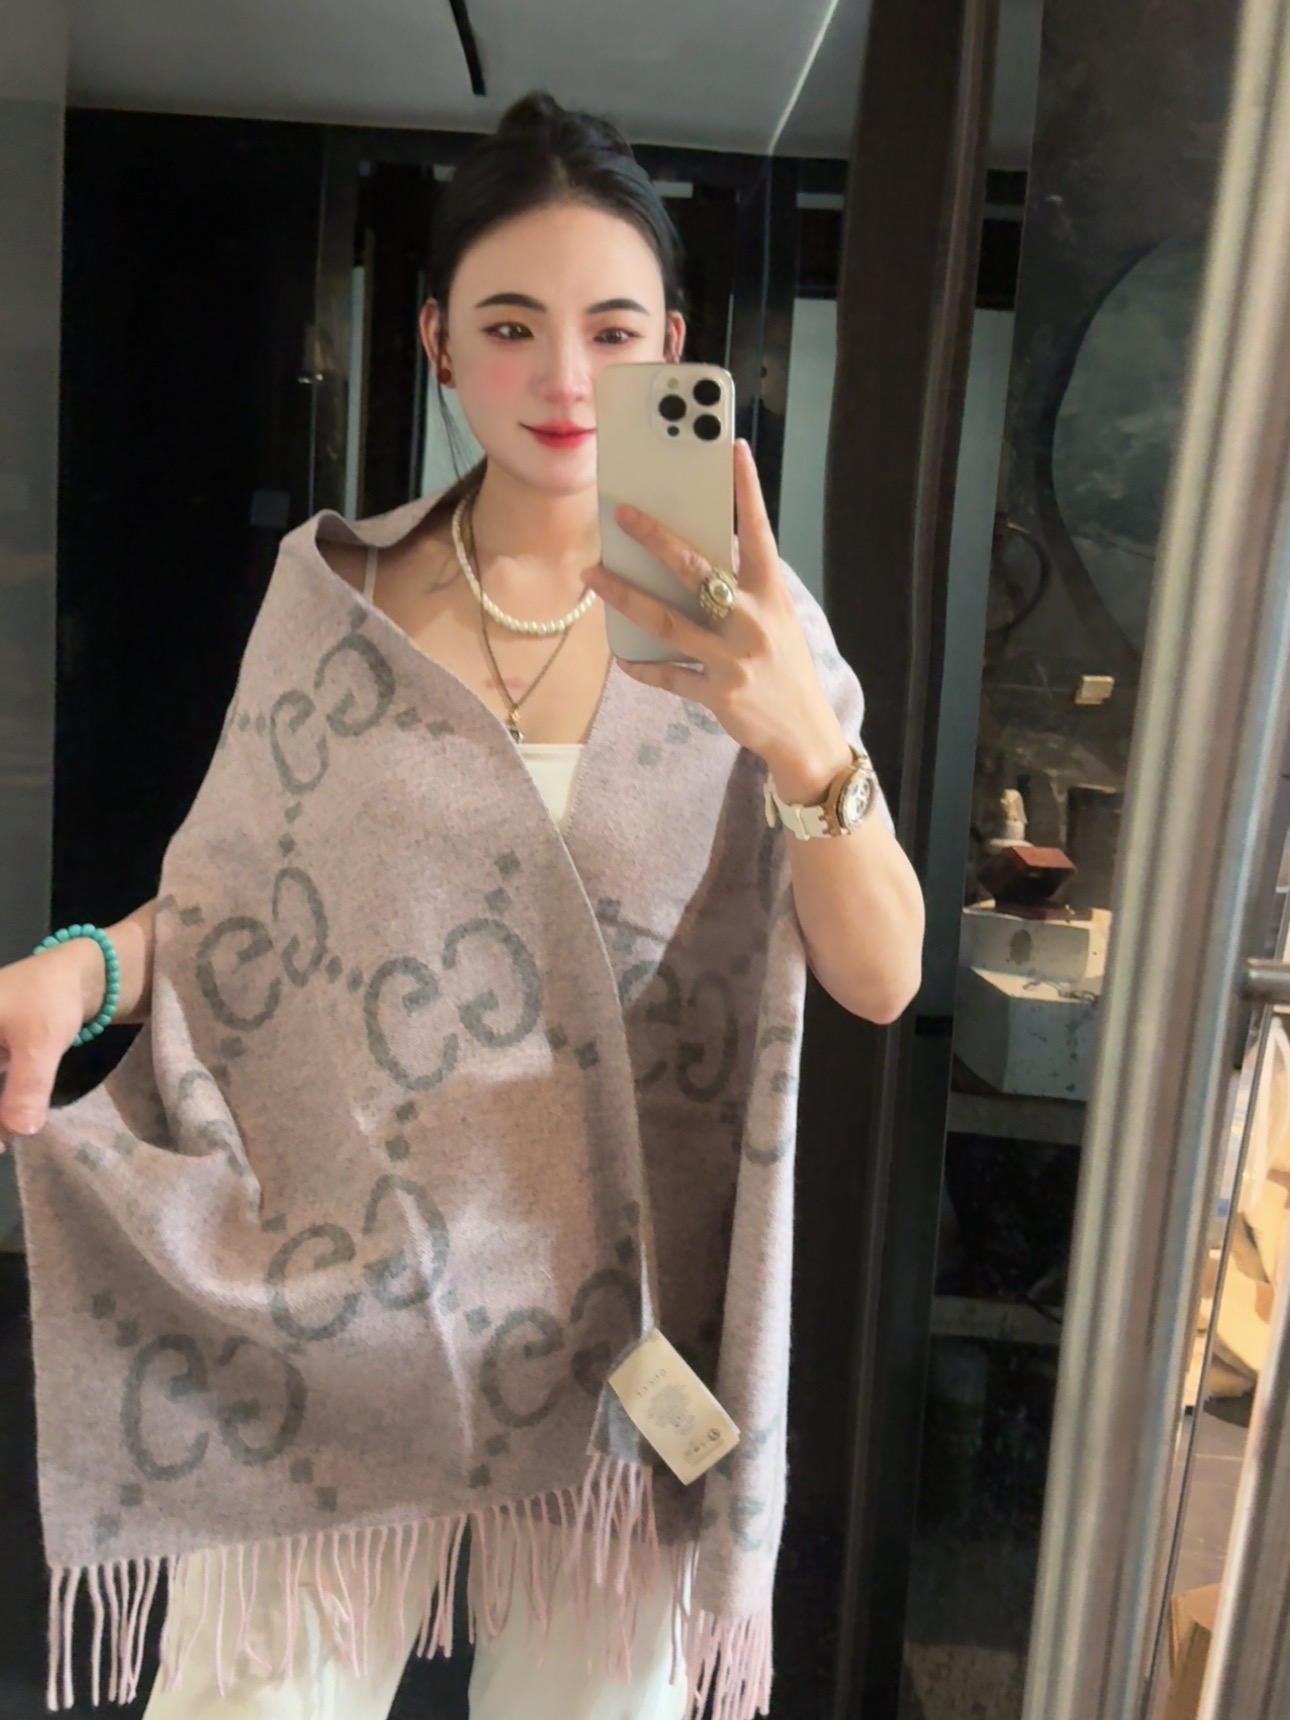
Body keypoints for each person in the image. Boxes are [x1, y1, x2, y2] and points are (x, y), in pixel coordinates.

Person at [0, 93, 922, 1720]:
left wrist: (803, 738)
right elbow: (231, 920)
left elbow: (881, 974)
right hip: (333, 1306)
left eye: (611, 330)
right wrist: (82, 971)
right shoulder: (334, 599)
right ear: (433, 341)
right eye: (508, 326)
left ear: (672, 349)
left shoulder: (756, 632)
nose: (563, 378)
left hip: (615, 1341)